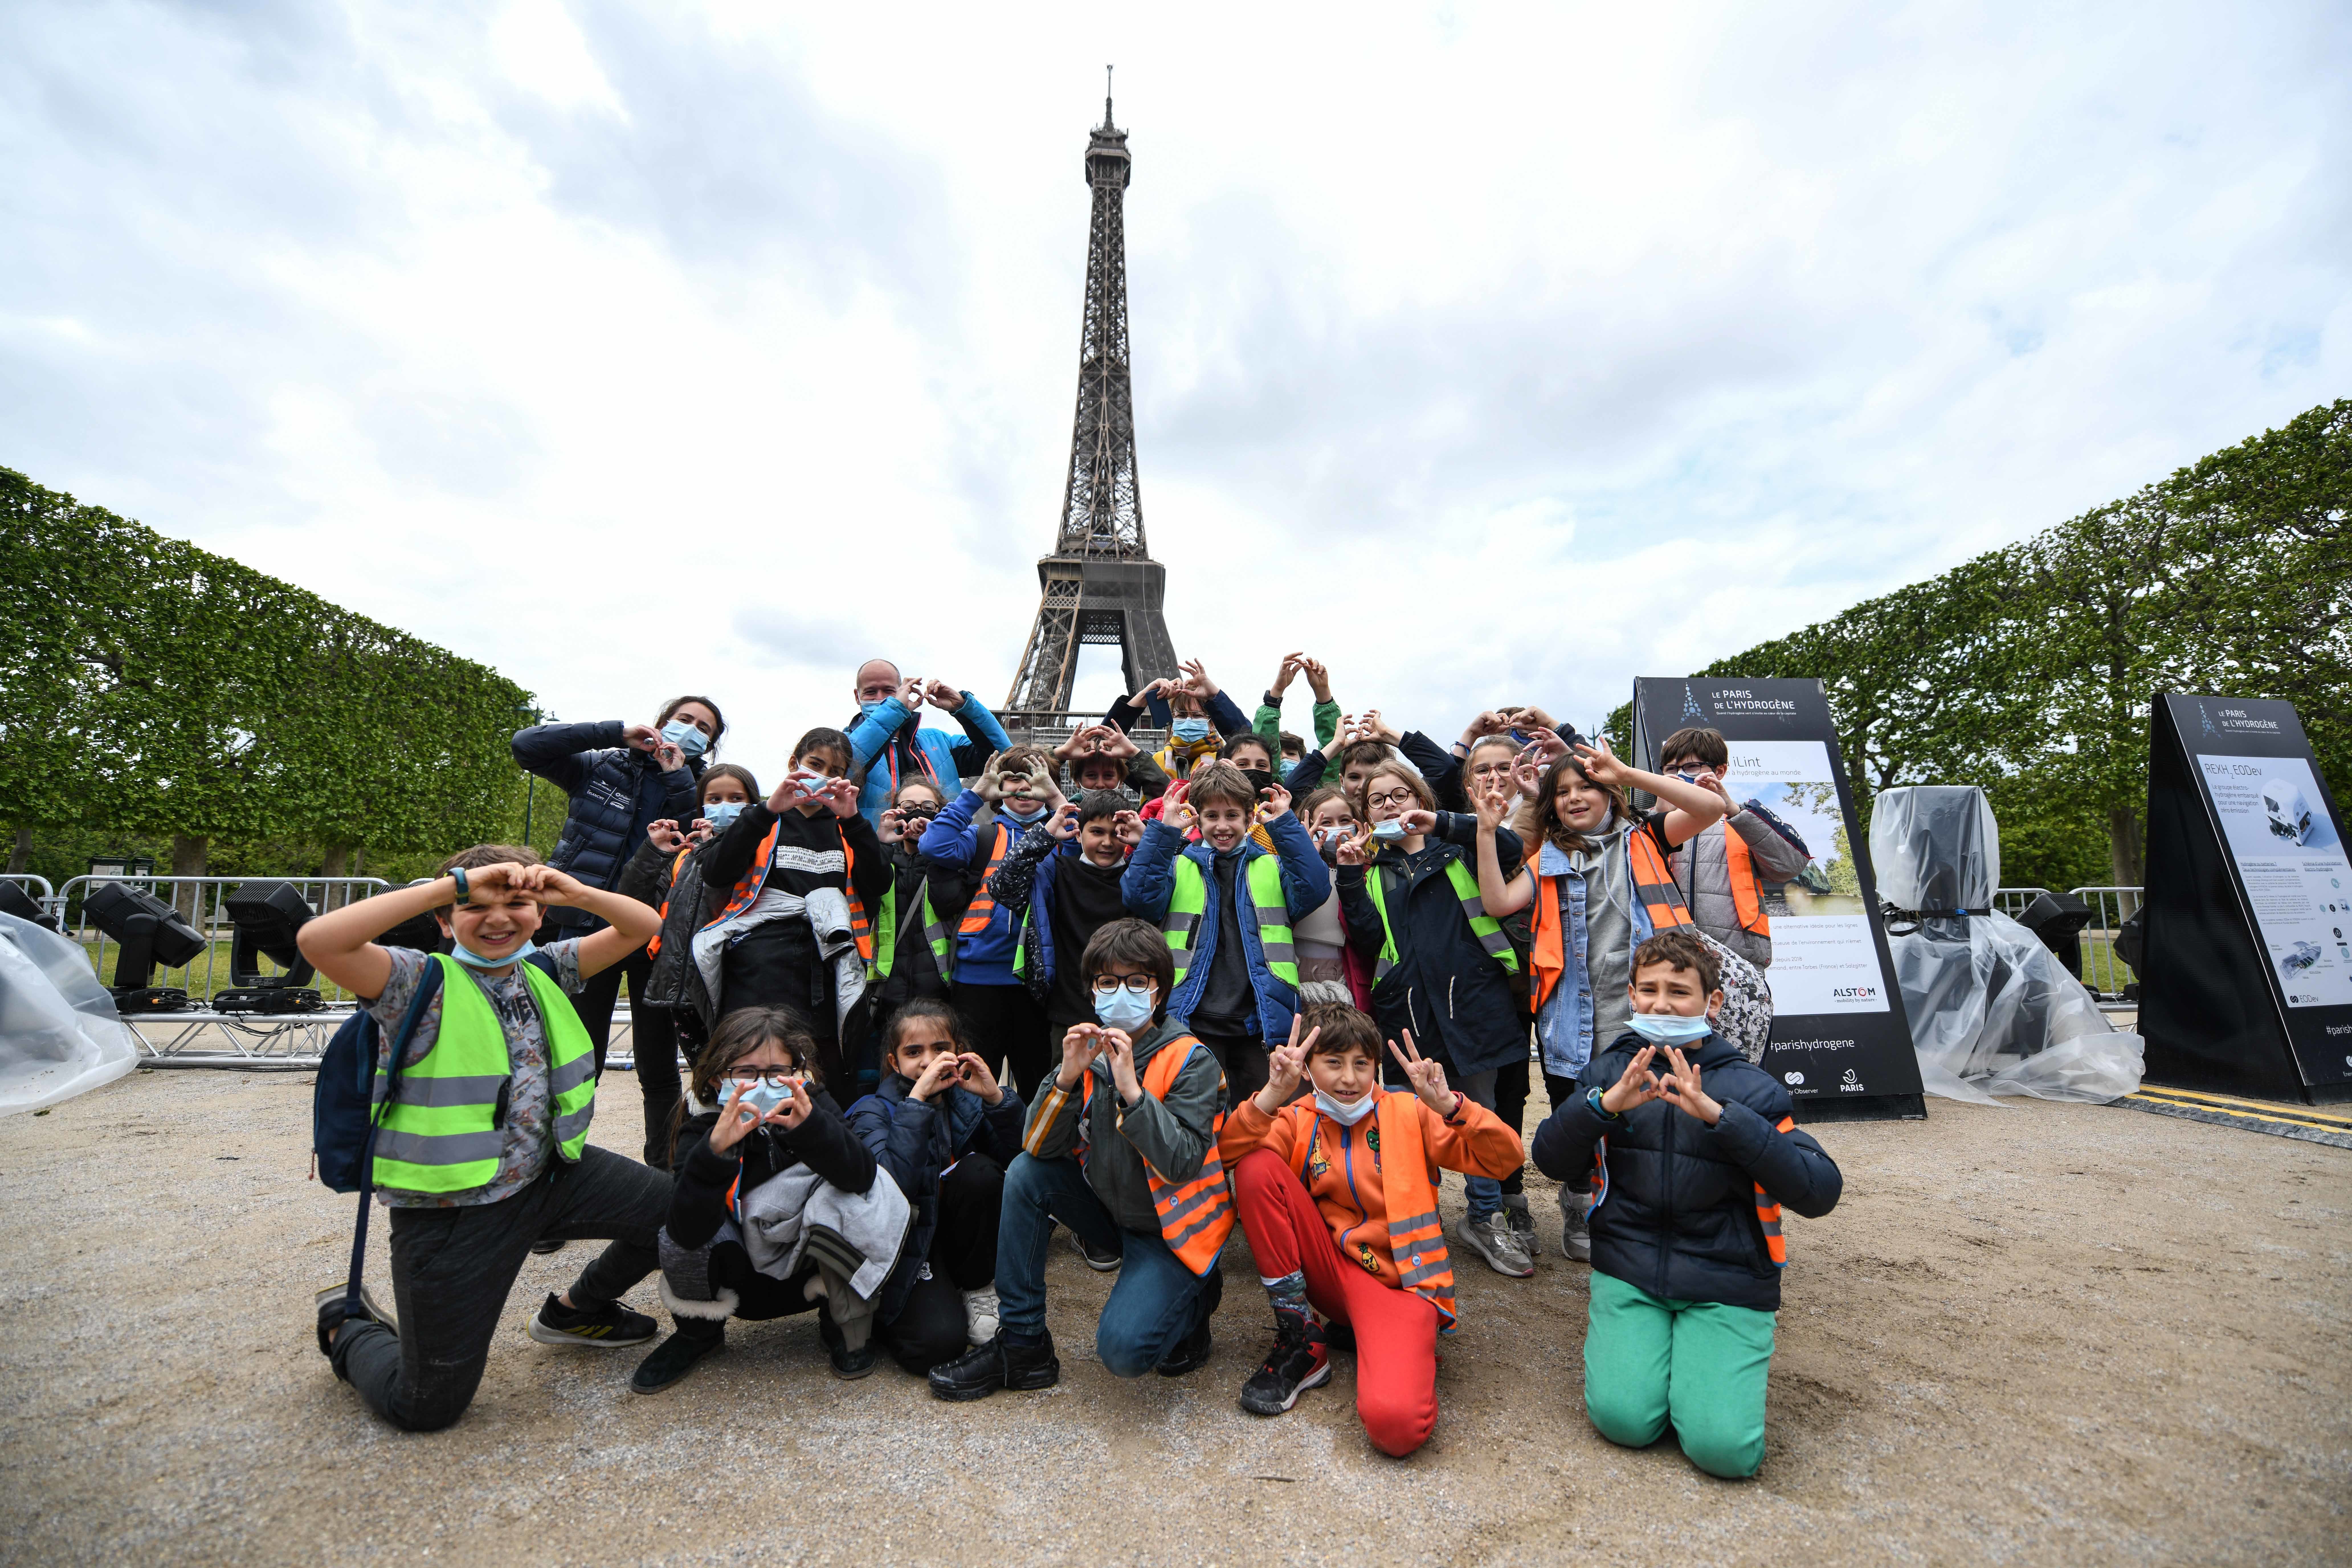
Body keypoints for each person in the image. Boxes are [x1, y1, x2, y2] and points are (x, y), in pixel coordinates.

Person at [297, 847, 671, 1432]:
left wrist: (573, 892)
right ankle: (347, 1327)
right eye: (475, 906)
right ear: (445, 919)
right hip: (453, 1212)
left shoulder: (547, 967)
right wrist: (450, 886)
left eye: (517, 903)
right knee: (425, 1406)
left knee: (686, 1214)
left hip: (552, 1175)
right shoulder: (413, 981)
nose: (498, 918)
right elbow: (320, 942)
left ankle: (576, 1311)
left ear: (540, 913)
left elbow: (643, 925)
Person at [1530, 929, 1842, 1479]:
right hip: (1629, 1269)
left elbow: (1819, 1190)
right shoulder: (1608, 1071)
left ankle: (1703, 1379)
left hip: (1726, 1278)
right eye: (1649, 989)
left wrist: (1724, 1118)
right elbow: (1550, 1158)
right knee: (1624, 1421)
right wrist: (1601, 1107)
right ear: (1631, 995)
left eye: (1679, 991)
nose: (1661, 1004)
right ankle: (1670, 1371)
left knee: (1723, 1450)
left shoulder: (1753, 1086)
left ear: (1711, 1001)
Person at [928, 919, 1232, 1400]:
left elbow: (1182, 1163)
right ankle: (1023, 1343)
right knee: (1026, 1174)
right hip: (1112, 1213)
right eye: (1108, 982)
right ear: (1092, 991)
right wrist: (1066, 1078)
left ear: (1159, 991)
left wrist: (1132, 1091)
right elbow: (1036, 1146)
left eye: (1137, 981)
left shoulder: (1191, 1059)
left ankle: (1196, 1298)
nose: (1121, 992)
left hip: (1171, 1232)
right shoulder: (1088, 1053)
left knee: (1124, 1353)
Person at [1219, 1005, 1523, 1455]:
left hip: (1399, 1288)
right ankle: (1303, 1340)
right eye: (1334, 1062)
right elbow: (1226, 1155)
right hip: (1330, 1273)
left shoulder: (1410, 1113)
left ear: (1376, 1067)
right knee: (1256, 1166)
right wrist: (1272, 1095)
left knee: (1396, 1427)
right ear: (1309, 1068)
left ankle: (1377, 1337)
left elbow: (1506, 1160)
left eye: (1362, 1063)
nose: (1349, 1078)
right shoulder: (1298, 1117)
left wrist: (1451, 1107)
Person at [1491, 739, 1727, 1261]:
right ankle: (1580, 1203)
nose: (1575, 797)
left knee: (1650, 1118)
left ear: (1611, 794)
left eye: (1588, 787)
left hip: (1646, 1016)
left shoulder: (1647, 837)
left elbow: (1711, 807)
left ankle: (1637, 1208)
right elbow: (1498, 900)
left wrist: (1626, 773)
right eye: (1562, 792)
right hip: (1569, 1019)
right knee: (1576, 1117)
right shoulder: (1546, 858)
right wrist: (1496, 826)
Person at [1332, 757, 1534, 1278]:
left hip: (1474, 1005)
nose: (1389, 806)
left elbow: (1510, 849)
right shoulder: (1371, 871)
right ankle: (1417, 1219)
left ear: (1420, 800)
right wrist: (1350, 876)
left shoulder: (1460, 848)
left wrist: (1445, 822)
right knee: (1407, 1123)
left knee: (1478, 1113)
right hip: (1407, 1014)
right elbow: (1368, 939)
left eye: (1399, 795)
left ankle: (1485, 1216)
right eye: (1377, 800)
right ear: (1366, 814)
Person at [630, 1005, 896, 1392]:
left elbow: (864, 1177)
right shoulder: (704, 1123)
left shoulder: (812, 1102)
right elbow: (686, 1232)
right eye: (746, 1072)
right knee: (673, 1231)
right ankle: (697, 1335)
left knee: (847, 1198)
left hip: (811, 1270)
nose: (763, 1083)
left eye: (776, 1072)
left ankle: (840, 1321)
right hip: (742, 1278)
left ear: (796, 1071)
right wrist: (715, 1153)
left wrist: (812, 1130)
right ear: (719, 1076)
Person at [510, 697, 720, 1073]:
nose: (691, 730)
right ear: (662, 723)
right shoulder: (604, 765)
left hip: (658, 932)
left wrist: (677, 777)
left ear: (708, 746)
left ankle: (662, 1118)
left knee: (658, 1063)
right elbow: (526, 746)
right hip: (587, 923)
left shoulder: (705, 789)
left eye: (703, 729)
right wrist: (617, 734)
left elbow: (701, 840)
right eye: (684, 719)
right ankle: (573, 1115)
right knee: (575, 1052)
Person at [1122, 762, 1331, 1108]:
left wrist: (1284, 825)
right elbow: (1138, 897)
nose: (1222, 826)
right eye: (1212, 816)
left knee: (1266, 1123)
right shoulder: (1178, 865)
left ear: (1250, 818)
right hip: (1191, 1020)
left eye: (1232, 815)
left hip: (1261, 1022)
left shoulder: (1272, 865)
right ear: (1197, 819)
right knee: (1195, 1122)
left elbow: (1315, 888)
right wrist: (1164, 831)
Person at [692, 727, 890, 1091]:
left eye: (835, 771)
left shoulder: (848, 828)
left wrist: (853, 821)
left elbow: (879, 884)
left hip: (828, 970)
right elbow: (716, 873)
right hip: (758, 968)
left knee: (825, 1080)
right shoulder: (763, 819)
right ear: (794, 763)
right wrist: (767, 810)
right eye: (816, 764)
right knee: (752, 1069)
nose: (823, 776)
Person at [844, 1000, 1026, 1375]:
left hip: (962, 1238)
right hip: (909, 1242)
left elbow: (1022, 1160)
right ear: (895, 1062)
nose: (928, 1061)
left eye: (940, 1048)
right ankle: (872, 1311)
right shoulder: (871, 1111)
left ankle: (977, 1285)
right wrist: (916, 1102)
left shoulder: (968, 1099)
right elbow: (890, 1191)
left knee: (980, 1172)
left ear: (959, 1051)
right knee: (936, 1346)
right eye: (914, 1052)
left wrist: (996, 1099)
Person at [611, 762, 760, 1166]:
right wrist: (654, 851)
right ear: (701, 807)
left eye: (736, 798)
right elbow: (633, 899)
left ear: (754, 804)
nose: (725, 805)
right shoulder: (685, 857)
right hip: (681, 993)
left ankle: (744, 1165)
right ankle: (687, 1170)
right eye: (715, 799)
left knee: (740, 1080)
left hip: (731, 989)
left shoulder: (761, 849)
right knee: (705, 1083)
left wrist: (717, 847)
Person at [916, 746, 1061, 1093]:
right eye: (1014, 779)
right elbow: (933, 845)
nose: (1024, 787)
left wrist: (1058, 801)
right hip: (977, 980)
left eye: (1035, 779)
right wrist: (977, 794)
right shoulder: (982, 835)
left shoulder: (1065, 835)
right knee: (971, 1086)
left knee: (1039, 1086)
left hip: (1040, 982)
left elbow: (1093, 846)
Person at [1654, 726, 1814, 970]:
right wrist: (1659, 818)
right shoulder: (1647, 822)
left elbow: (1790, 867)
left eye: (1692, 767)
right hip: (1665, 959)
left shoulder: (1742, 820)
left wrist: (1733, 811)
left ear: (1719, 771)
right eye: (1671, 770)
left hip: (1737, 961)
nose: (1680, 776)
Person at [844, 659, 1013, 828]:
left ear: (903, 691)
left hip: (943, 843)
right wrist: (894, 712)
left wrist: (965, 707)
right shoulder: (841, 746)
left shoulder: (939, 741)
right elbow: (846, 770)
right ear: (858, 697)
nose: (881, 699)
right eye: (871, 692)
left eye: (889, 691)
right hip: (873, 845)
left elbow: (1004, 756)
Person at [1291, 786, 1367, 1007]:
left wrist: (1353, 869)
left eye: (1345, 821)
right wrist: (1305, 860)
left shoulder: (1368, 871)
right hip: (1299, 970)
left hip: (1347, 973)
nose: (1337, 829)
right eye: (1326, 822)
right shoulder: (1288, 866)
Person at [1252, 654, 1340, 760]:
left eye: (1291, 754)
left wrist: (1323, 692)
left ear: (1303, 760)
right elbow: (1263, 748)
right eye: (1277, 754)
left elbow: (1334, 748)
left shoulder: (1314, 772)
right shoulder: (1264, 768)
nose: (1284, 757)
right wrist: (1278, 690)